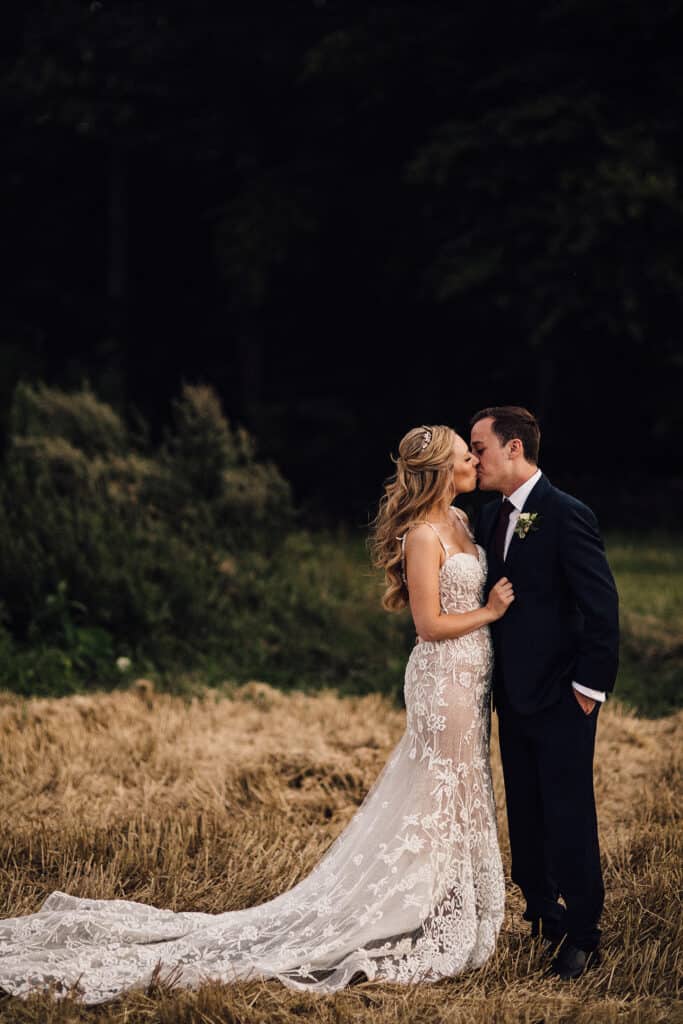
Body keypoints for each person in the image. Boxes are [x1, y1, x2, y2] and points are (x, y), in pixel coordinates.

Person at [0, 424, 513, 1005]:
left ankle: (455, 905)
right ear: (442, 471)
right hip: (442, 677)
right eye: (462, 456)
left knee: (464, 787)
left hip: (473, 679)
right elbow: (428, 625)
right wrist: (490, 612)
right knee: (437, 793)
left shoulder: (464, 523)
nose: (473, 461)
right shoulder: (423, 535)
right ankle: (413, 911)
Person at [469, 406, 619, 980]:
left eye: (479, 447)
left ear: (514, 449)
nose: (474, 458)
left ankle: (584, 932)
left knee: (567, 813)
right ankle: (541, 909)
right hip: (510, 696)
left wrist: (587, 689)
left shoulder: (565, 513)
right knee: (526, 811)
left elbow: (601, 608)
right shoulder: (486, 518)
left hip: (562, 697)